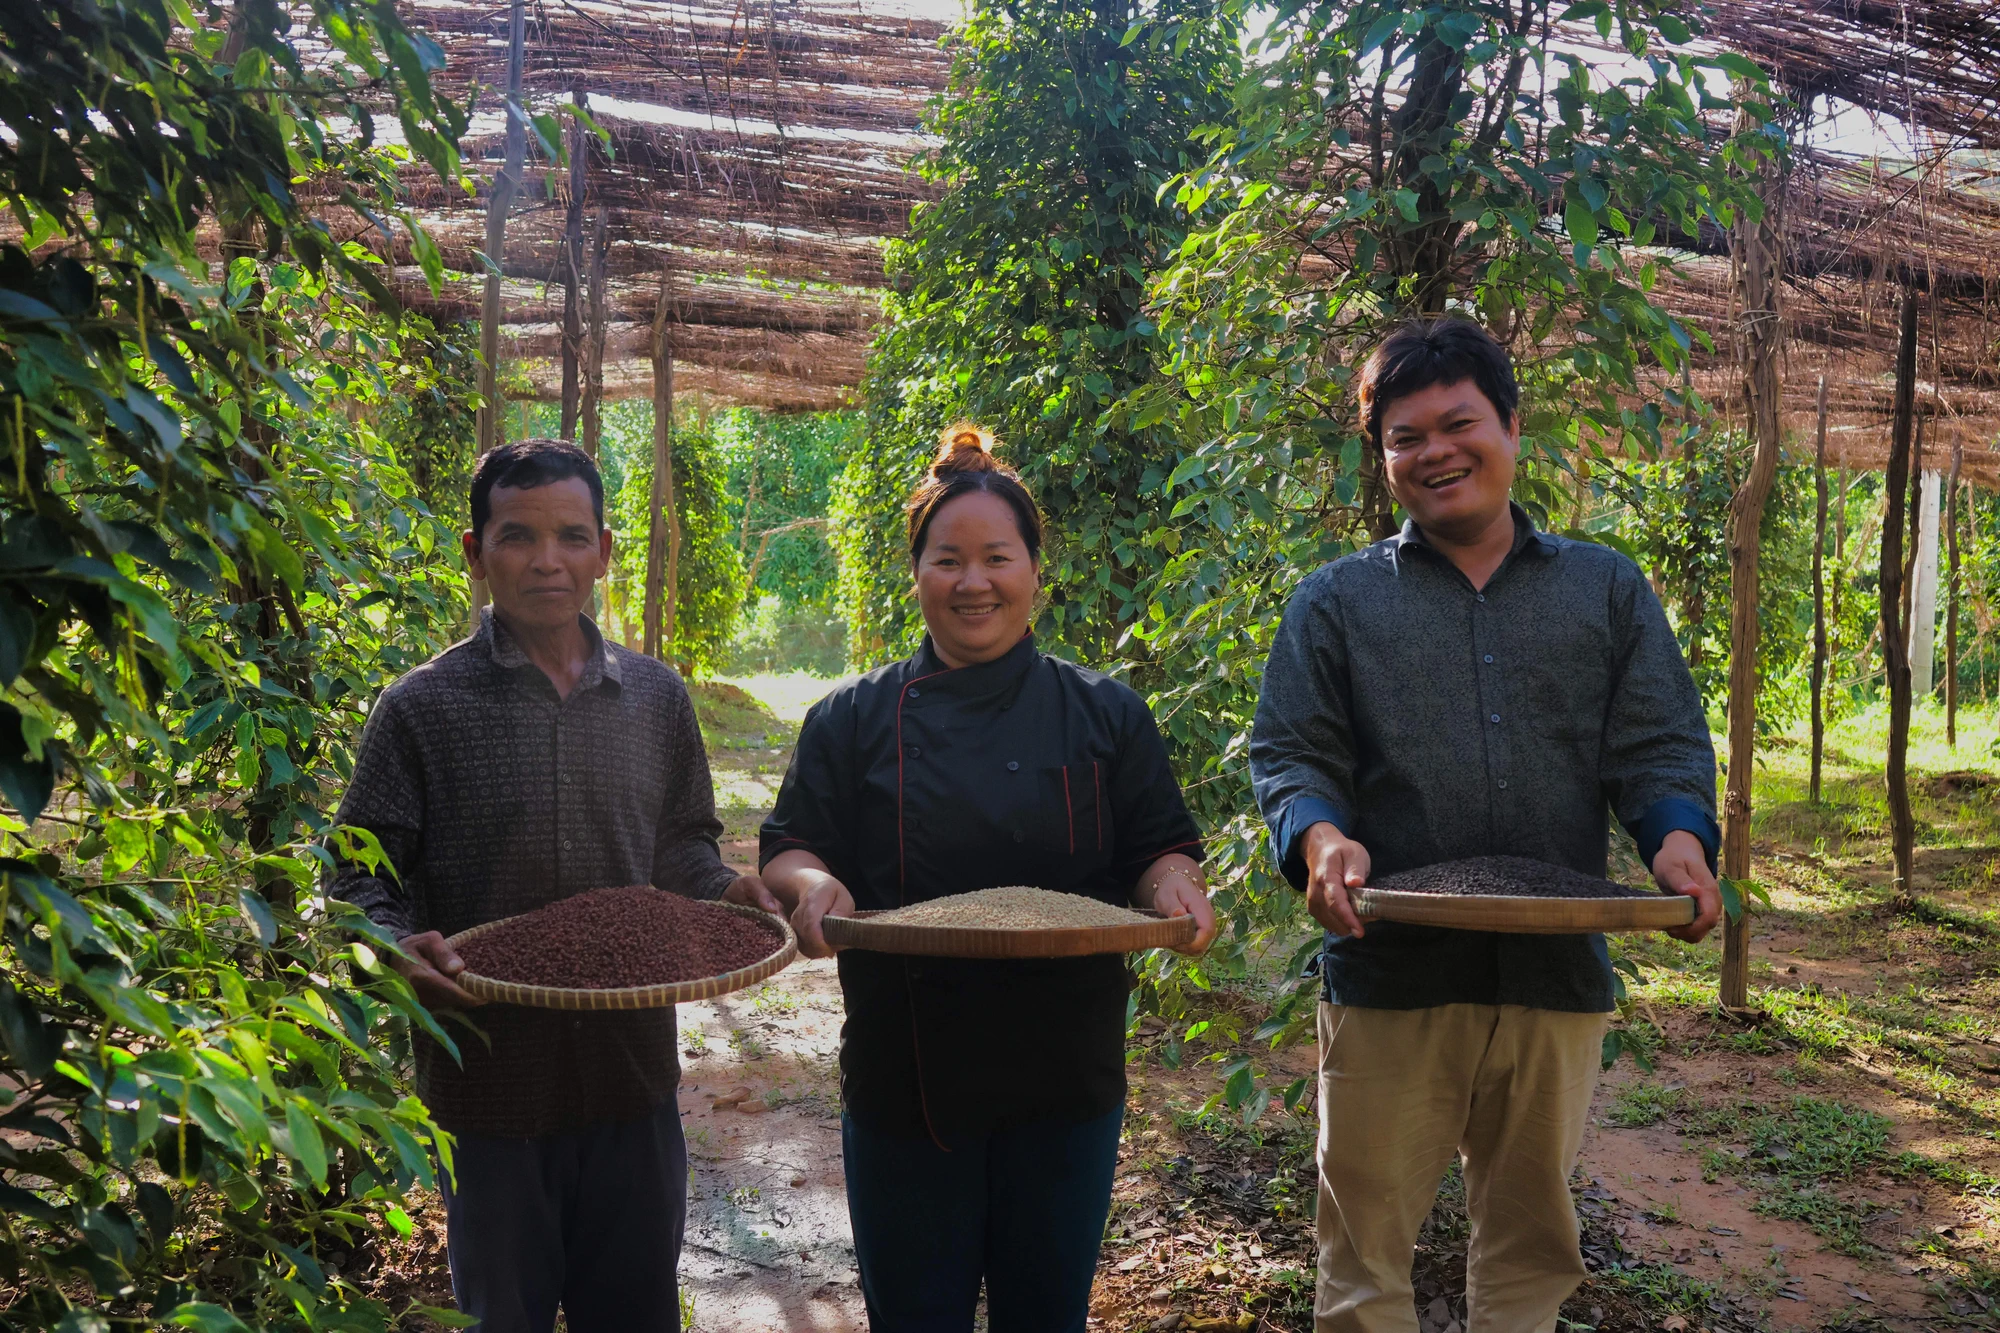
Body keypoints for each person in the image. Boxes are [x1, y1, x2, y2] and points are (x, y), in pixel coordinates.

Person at [1249, 320, 1723, 1333]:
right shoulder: (1334, 603)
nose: (1433, 453)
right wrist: (1319, 839)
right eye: (1402, 437)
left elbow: (1656, 744)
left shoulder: (1602, 588)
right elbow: (1292, 755)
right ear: (1381, 461)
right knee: (1362, 1253)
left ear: (1510, 426)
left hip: (1551, 979)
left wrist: (1676, 839)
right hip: (1389, 974)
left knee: (1530, 1248)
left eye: (1456, 423)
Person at [758, 424, 1216, 1333]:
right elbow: (790, 844)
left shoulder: (1106, 713)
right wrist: (814, 884)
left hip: (1066, 1073)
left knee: (1045, 1316)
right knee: (915, 1317)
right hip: (903, 1072)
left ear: (1035, 570)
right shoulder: (850, 718)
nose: (975, 582)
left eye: (997, 557)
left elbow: (1160, 848)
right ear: (917, 573)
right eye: (948, 559)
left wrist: (1173, 888)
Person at [328, 438, 779, 1333]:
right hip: (490, 1091)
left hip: (630, 1083)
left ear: (605, 550)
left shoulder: (655, 698)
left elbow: (680, 852)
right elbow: (356, 871)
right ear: (475, 551)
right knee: (508, 1317)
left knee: (637, 1313)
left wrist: (728, 891)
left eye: (572, 535)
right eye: (518, 536)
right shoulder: (421, 706)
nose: (547, 560)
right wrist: (388, 945)